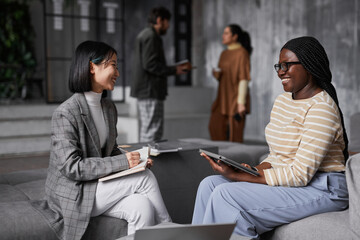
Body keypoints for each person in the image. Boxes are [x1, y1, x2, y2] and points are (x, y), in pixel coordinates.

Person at [192, 36, 349, 238]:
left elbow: (301, 174)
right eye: (279, 65)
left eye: (287, 65)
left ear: (309, 66)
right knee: (209, 185)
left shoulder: (322, 108)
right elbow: (277, 157)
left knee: (227, 194)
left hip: (323, 188)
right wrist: (253, 170)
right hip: (296, 179)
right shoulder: (282, 102)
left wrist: (241, 176)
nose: (280, 71)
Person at [33, 41, 171, 240]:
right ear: (92, 67)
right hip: (75, 191)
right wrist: (124, 163)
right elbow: (72, 168)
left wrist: (135, 164)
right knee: (144, 180)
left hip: (99, 184)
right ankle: (171, 229)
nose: (118, 73)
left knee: (143, 207)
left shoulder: (108, 108)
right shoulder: (65, 113)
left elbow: (111, 150)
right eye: (113, 65)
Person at [130, 6, 191, 143]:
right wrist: (175, 70)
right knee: (152, 132)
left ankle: (147, 162)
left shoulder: (146, 34)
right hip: (150, 90)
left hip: (147, 90)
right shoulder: (151, 36)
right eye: (167, 22)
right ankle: (150, 163)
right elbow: (150, 64)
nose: (168, 26)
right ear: (159, 20)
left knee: (149, 130)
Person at [209, 24, 252, 143]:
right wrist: (217, 75)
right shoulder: (224, 54)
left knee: (235, 134)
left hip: (235, 98)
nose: (223, 36)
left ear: (235, 36)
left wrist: (241, 103)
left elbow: (244, 78)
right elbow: (226, 76)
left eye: (226, 33)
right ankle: (218, 159)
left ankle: (234, 160)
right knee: (215, 127)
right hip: (223, 97)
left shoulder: (242, 53)